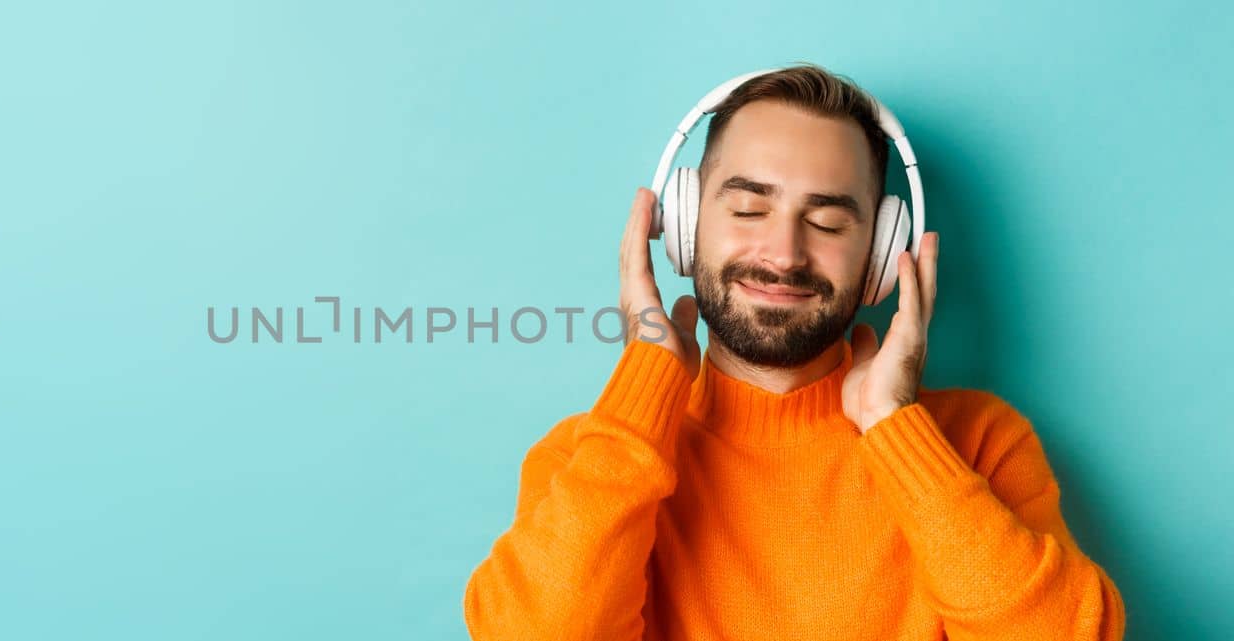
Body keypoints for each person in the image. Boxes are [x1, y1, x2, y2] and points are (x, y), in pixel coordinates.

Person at [461, 65, 1125, 641]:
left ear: (882, 253)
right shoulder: (592, 456)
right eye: (749, 208)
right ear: (684, 227)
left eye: (828, 221)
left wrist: (895, 428)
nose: (783, 253)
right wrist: (643, 390)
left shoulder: (977, 443)